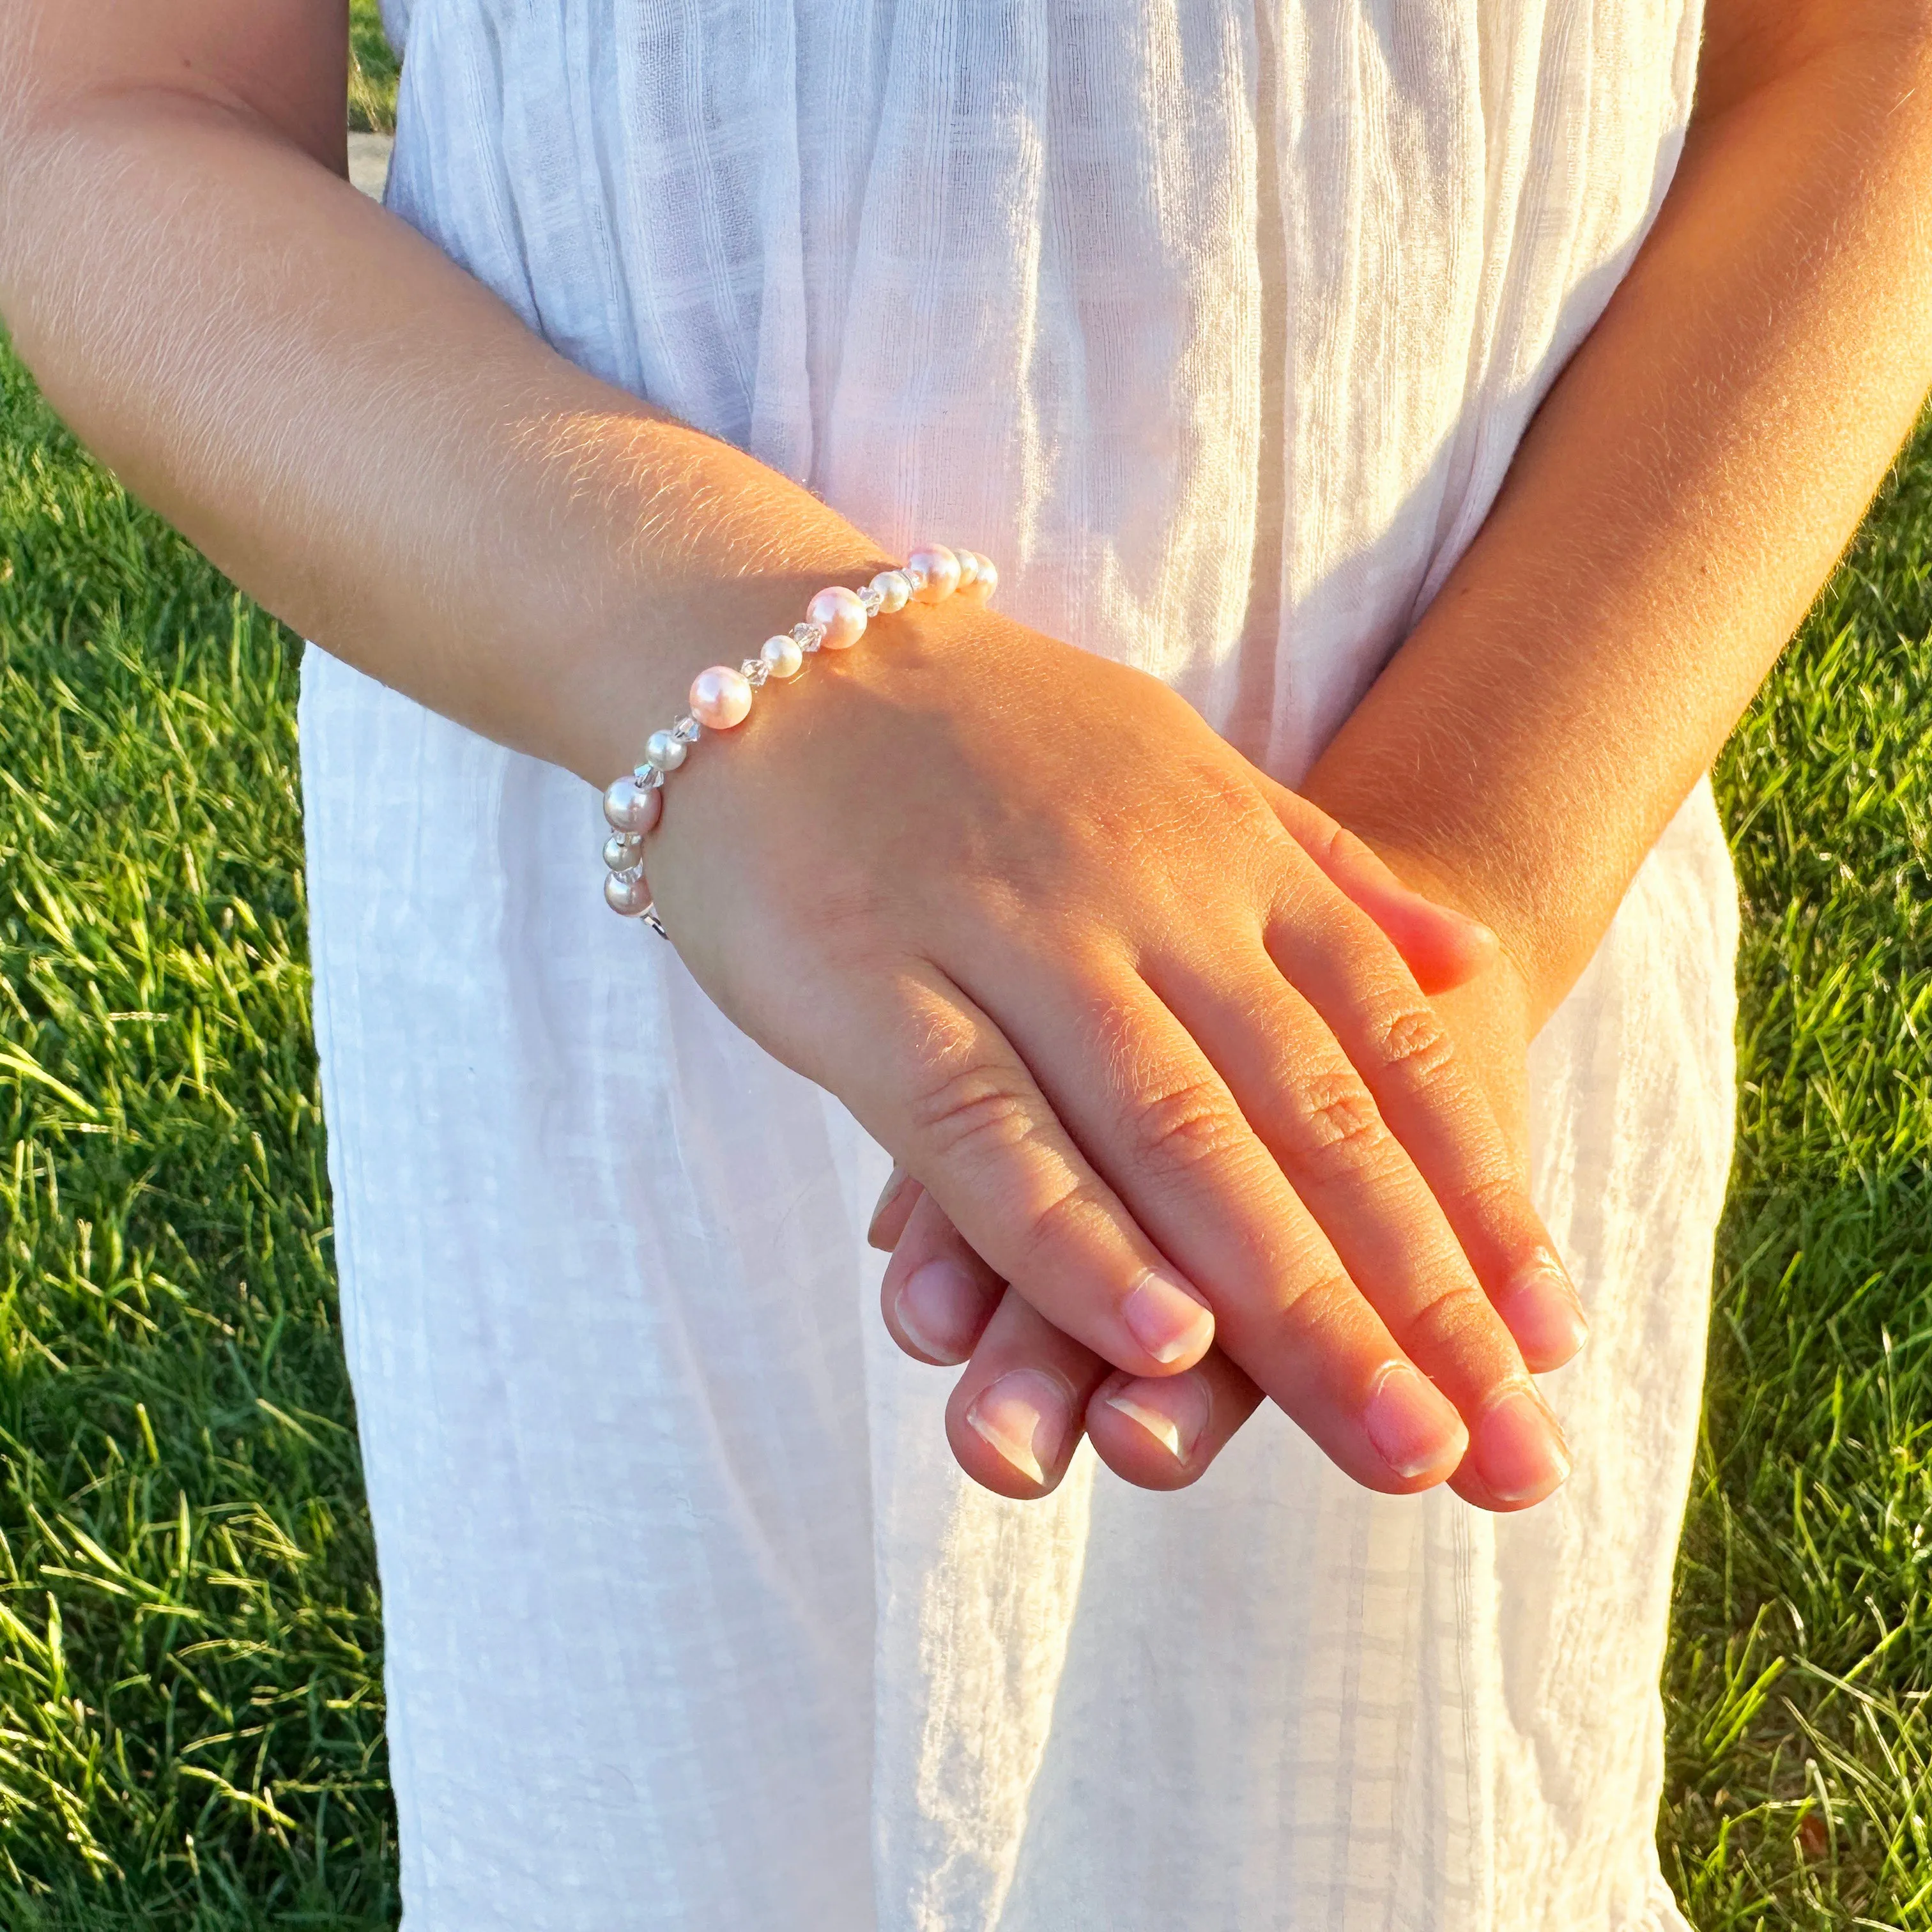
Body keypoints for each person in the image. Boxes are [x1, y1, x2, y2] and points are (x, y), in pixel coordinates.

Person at [2, 0, 1926, 1924]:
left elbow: (1853, 59)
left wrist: (1449, 882)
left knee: (1375, 1818)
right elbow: (99, 111)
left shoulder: (1423, 927)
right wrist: (767, 682)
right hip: (634, 824)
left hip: (1472, 840)